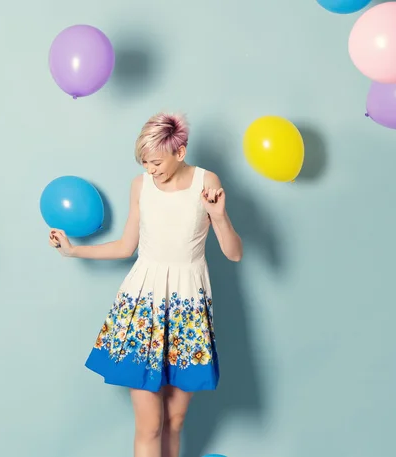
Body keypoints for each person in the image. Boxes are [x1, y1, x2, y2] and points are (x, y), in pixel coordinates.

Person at [49, 112, 243, 457]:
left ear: (179, 152)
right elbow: (126, 246)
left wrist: (219, 215)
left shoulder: (205, 181)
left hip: (188, 308)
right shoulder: (140, 186)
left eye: (155, 162)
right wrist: (73, 250)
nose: (150, 170)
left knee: (176, 418)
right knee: (150, 423)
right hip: (143, 306)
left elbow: (233, 254)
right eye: (145, 163)